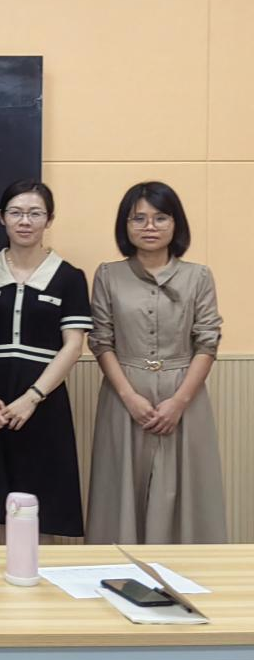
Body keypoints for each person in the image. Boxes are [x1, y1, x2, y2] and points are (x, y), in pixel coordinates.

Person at [86, 181, 226, 544]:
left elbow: (207, 342)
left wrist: (179, 402)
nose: (149, 226)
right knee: (120, 490)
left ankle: (185, 570)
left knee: (186, 490)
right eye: (139, 218)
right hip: (124, 394)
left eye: (160, 218)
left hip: (184, 395)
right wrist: (129, 397)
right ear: (125, 225)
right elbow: (101, 341)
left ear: (176, 223)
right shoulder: (108, 275)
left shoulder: (198, 276)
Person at [0, 180, 90, 539]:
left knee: (42, 502)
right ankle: (3, 571)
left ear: (49, 220)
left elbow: (73, 346)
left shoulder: (69, 277)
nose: (25, 221)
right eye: (16, 213)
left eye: (35, 213)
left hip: (43, 402)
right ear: (1, 217)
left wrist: (33, 397)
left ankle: (36, 571)